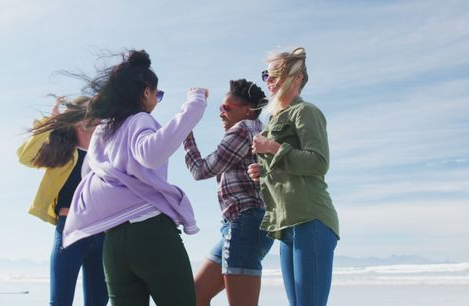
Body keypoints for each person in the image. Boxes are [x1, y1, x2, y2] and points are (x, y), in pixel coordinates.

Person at [61, 49, 208, 306]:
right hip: (151, 233)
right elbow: (150, 154)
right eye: (157, 94)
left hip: (114, 242)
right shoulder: (141, 119)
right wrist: (195, 104)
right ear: (145, 93)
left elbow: (88, 173)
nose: (156, 100)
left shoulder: (103, 130)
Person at [248, 47, 339, 306]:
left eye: (276, 73)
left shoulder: (305, 111)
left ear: (297, 77)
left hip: (310, 218)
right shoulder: (276, 117)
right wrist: (262, 171)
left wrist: (273, 148)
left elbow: (318, 162)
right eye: (266, 73)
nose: (269, 80)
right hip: (286, 223)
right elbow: (288, 168)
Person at [183, 79, 273, 306]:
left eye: (226, 108)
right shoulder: (255, 130)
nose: (221, 114)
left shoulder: (244, 129)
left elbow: (201, 170)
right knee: (195, 295)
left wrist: (185, 134)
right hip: (239, 224)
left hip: (246, 222)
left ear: (248, 110)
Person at [17, 96, 108, 306]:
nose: (94, 117)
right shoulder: (62, 152)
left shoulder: (106, 154)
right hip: (70, 231)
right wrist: (50, 124)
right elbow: (25, 156)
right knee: (60, 302)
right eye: (87, 112)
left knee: (98, 303)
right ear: (75, 119)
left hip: (102, 234)